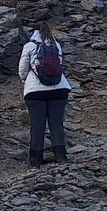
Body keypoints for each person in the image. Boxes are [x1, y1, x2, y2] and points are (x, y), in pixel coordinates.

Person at [19, 22, 71, 167]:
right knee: (56, 123)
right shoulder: (56, 45)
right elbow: (59, 64)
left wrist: (27, 80)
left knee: (37, 125)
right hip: (60, 89)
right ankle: (61, 157)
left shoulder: (30, 46)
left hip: (35, 92)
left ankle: (35, 161)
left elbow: (22, 69)